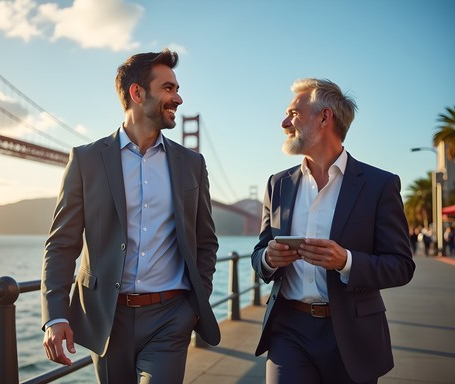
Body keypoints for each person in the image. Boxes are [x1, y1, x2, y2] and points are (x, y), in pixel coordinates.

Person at [41, 49, 220, 384]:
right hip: (107, 318)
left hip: (171, 317)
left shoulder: (192, 164)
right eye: (168, 88)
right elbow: (61, 245)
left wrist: (194, 306)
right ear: (137, 93)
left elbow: (206, 241)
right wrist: (55, 316)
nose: (178, 98)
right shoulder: (86, 160)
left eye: (177, 89)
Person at [251, 78, 415, 384]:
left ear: (324, 117)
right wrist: (269, 258)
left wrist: (346, 261)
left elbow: (401, 266)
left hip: (353, 336)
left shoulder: (380, 185)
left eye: (294, 113)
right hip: (288, 330)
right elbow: (260, 253)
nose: (284, 122)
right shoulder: (278, 184)